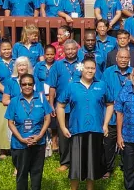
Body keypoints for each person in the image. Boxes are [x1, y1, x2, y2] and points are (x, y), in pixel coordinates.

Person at [56, 58, 114, 190]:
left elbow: (110, 104)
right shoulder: (72, 86)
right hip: (77, 130)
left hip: (96, 130)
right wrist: (63, 126)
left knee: (91, 164)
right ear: (82, 69)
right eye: (87, 68)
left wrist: (105, 124)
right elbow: (60, 105)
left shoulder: (102, 85)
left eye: (92, 68)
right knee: (76, 165)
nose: (90, 70)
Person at [5, 73, 52, 190]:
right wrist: (21, 139)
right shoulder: (14, 101)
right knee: (22, 174)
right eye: (24, 84)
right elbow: (10, 122)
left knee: (37, 173)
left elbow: (48, 118)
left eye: (30, 84)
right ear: (20, 85)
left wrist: (40, 135)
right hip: (20, 144)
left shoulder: (41, 98)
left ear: (34, 85)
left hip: (38, 142)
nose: (27, 86)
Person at [47, 39, 83, 171]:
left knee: (79, 132)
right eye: (67, 49)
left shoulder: (83, 63)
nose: (70, 51)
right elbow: (52, 86)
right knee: (63, 134)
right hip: (62, 106)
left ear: (77, 49)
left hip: (80, 105)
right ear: (64, 50)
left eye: (73, 49)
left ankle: (79, 159)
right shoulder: (57, 65)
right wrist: (51, 104)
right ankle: (65, 162)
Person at [102, 49, 133, 177]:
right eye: (121, 57)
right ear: (116, 58)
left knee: (126, 143)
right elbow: (103, 90)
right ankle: (108, 168)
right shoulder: (108, 72)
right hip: (111, 116)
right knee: (108, 143)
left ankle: (125, 166)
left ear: (129, 59)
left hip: (128, 115)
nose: (123, 60)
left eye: (126, 58)